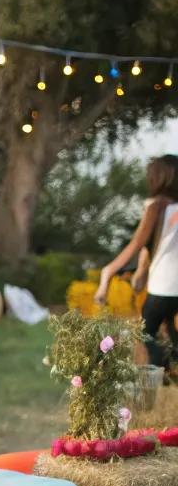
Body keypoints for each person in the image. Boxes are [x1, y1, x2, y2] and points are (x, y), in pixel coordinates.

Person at [96, 155, 178, 369]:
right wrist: (142, 270)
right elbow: (151, 246)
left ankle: (161, 369)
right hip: (172, 289)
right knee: (169, 326)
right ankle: (170, 371)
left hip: (163, 287)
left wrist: (107, 273)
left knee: (145, 332)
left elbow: (137, 244)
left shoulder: (156, 206)